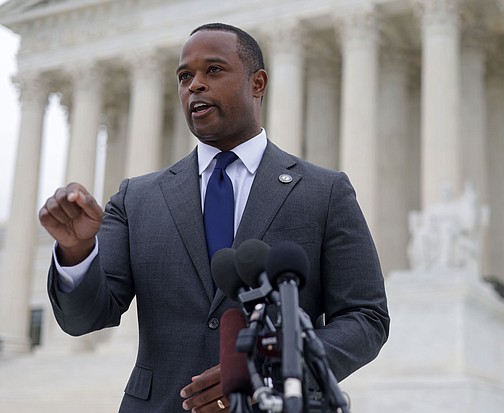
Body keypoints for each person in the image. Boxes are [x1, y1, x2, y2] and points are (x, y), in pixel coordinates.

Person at [39, 23, 389, 413]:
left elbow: (365, 316)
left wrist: (267, 370)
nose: (195, 85)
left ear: (257, 84)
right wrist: (77, 250)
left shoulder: (323, 191)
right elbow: (85, 317)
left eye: (214, 71)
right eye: (185, 76)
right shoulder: (137, 198)